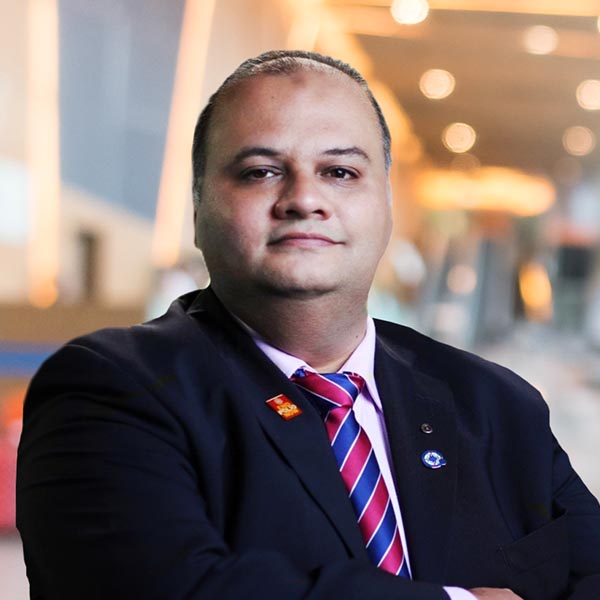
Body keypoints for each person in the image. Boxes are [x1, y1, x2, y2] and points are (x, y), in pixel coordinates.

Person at [16, 50, 600, 600]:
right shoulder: (109, 391)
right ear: (197, 209)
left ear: (386, 206)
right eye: (260, 172)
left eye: (340, 172)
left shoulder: (498, 404)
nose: (304, 199)